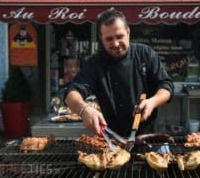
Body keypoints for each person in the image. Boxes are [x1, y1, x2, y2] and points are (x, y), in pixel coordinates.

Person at [64, 8, 174, 136]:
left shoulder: (146, 54)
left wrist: (152, 102)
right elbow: (71, 93)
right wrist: (83, 109)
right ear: (101, 39)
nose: (115, 43)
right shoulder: (95, 63)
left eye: (119, 36)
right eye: (109, 39)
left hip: (153, 136)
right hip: (115, 139)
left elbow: (166, 86)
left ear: (128, 32)